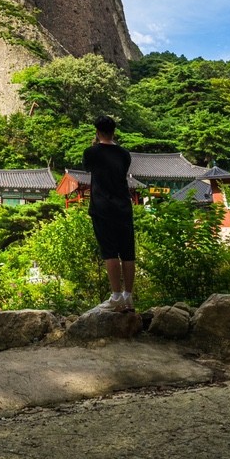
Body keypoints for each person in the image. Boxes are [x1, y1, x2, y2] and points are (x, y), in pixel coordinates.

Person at [82, 116, 135, 312]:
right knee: (128, 253)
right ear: (114, 131)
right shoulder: (124, 154)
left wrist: (94, 145)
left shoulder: (91, 152)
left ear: (97, 131)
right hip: (123, 206)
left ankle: (115, 296)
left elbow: (88, 168)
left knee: (109, 252)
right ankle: (128, 297)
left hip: (102, 207)